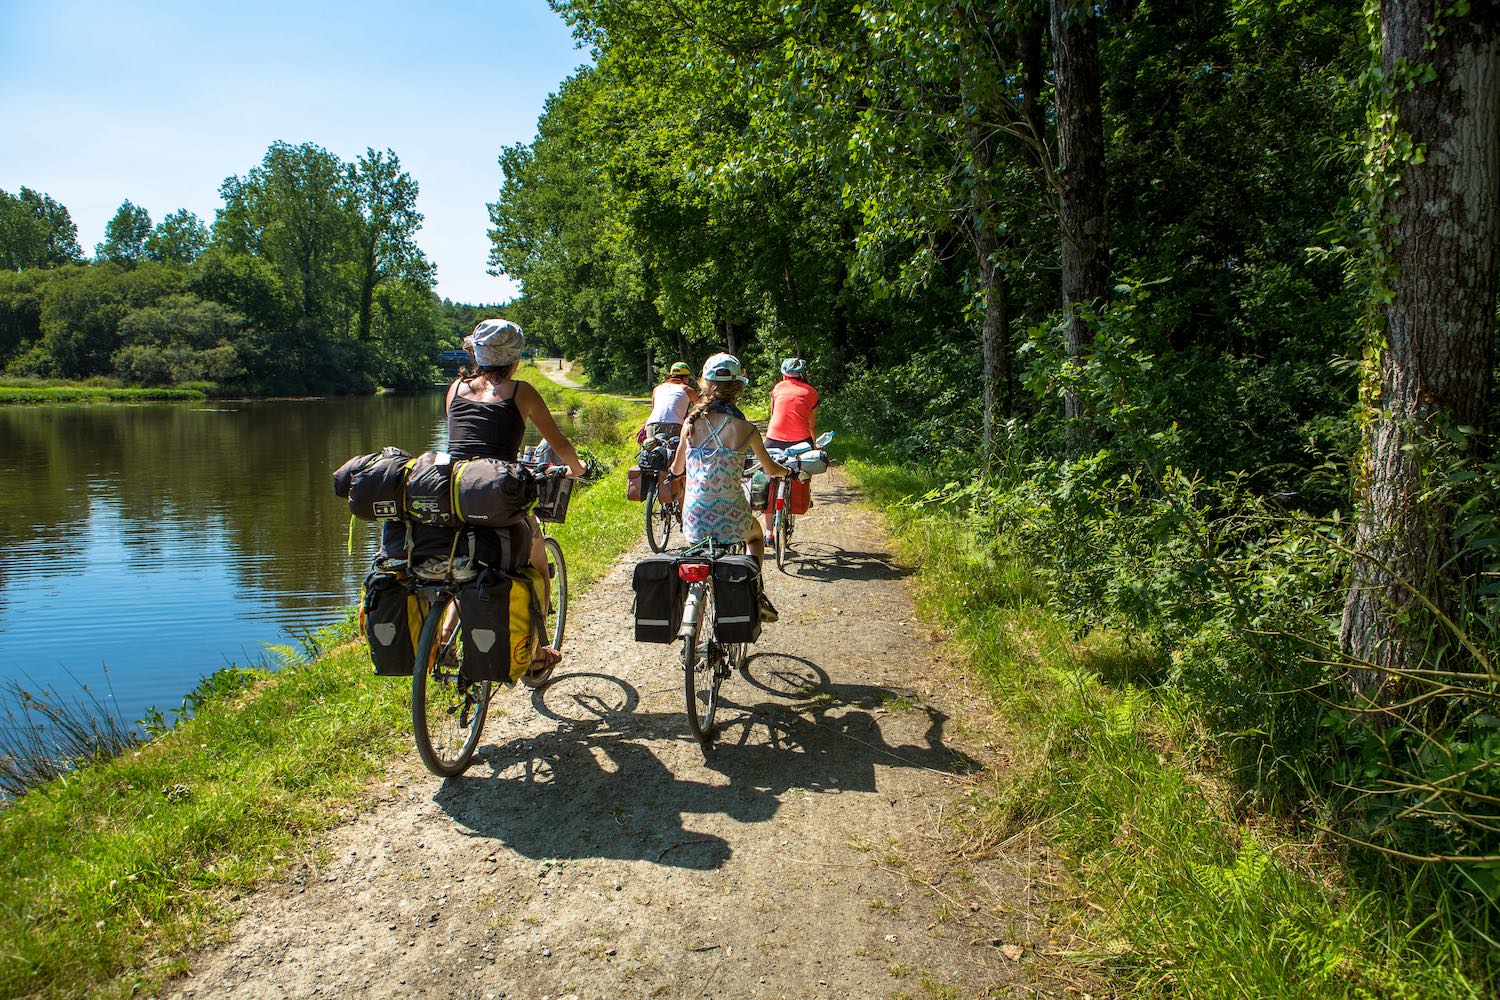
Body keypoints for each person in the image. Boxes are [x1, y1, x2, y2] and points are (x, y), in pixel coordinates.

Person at [446, 319, 586, 665]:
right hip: (495, 494)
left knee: (465, 568)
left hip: (450, 492)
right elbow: (558, 441)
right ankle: (536, 652)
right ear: (515, 358)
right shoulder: (520, 391)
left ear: (477, 353)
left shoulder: (455, 388)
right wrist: (577, 468)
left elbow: (461, 441)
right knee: (535, 559)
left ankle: (444, 641)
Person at [671, 352, 790, 622]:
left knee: (701, 559)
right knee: (756, 537)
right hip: (731, 515)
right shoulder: (746, 428)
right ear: (739, 387)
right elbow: (771, 470)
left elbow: (677, 469)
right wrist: (789, 471)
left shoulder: (690, 422)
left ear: (703, 383)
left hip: (694, 516)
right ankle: (754, 591)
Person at [762, 357, 820, 543]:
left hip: (773, 439)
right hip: (800, 441)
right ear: (803, 374)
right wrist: (814, 443)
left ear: (784, 374)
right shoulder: (812, 392)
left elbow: (773, 415)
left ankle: (769, 533)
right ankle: (803, 495)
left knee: (770, 482)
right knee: (804, 467)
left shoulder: (777, 388)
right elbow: (811, 424)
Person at [644, 361, 700, 441]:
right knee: (676, 451)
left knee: (653, 451)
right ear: (685, 378)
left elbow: (654, 408)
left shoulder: (657, 389)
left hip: (652, 424)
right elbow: (700, 410)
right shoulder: (688, 390)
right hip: (675, 424)